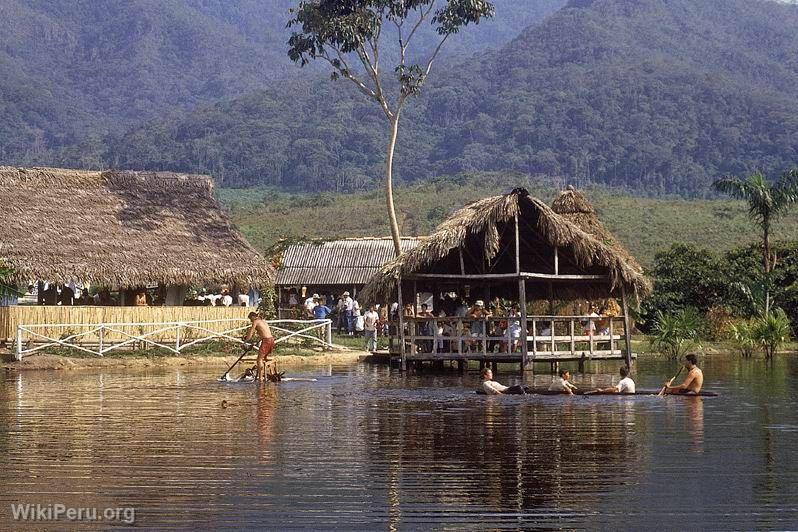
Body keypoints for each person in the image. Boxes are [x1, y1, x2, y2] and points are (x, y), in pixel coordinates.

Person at [244, 311, 275, 383]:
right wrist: (257, 341)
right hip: (271, 340)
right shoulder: (263, 321)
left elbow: (251, 332)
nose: (251, 321)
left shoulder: (255, 322)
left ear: (253, 317)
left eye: (250, 319)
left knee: (259, 359)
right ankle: (269, 374)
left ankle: (260, 378)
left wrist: (245, 341)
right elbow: (264, 333)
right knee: (264, 357)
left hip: (266, 341)